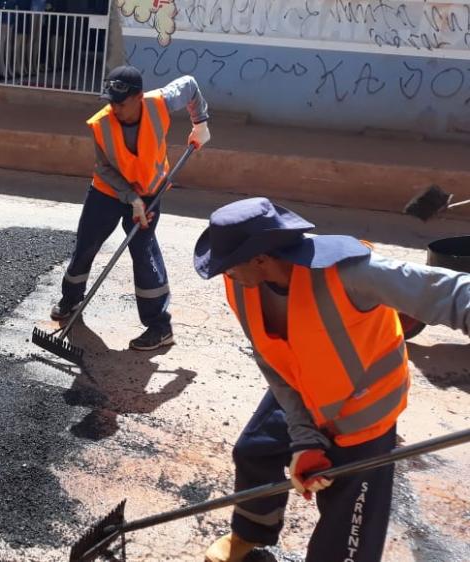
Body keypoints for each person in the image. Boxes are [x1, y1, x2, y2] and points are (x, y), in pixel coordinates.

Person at [193, 197, 470, 562]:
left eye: (229, 267)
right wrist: (304, 439)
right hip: (300, 385)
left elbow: (453, 291)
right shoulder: (242, 287)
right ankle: (251, 533)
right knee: (255, 450)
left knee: (347, 511)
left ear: (260, 259)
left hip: (364, 409)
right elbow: (270, 362)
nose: (225, 275)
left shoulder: (351, 272)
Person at [52, 65, 211, 351]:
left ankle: (159, 327)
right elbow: (104, 168)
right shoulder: (101, 124)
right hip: (108, 192)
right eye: (110, 102)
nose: (114, 108)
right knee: (86, 244)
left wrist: (200, 123)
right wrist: (131, 199)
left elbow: (189, 85)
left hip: (149, 191)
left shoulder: (159, 103)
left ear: (139, 97)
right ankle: (71, 299)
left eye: (120, 103)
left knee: (143, 251)